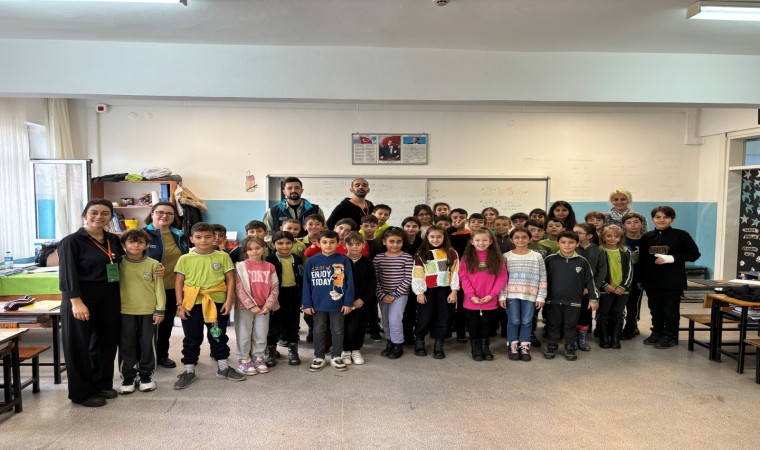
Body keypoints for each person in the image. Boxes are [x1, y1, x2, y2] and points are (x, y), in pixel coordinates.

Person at [59, 199, 124, 407]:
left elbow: (124, 264)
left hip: (109, 296)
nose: (99, 217)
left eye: (105, 213)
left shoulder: (113, 240)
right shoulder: (72, 241)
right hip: (81, 297)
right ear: (84, 215)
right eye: (94, 212)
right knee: (79, 345)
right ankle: (81, 393)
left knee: (106, 342)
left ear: (111, 217)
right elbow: (67, 274)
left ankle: (102, 383)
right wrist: (76, 301)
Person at [173, 222, 244, 390]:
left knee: (217, 334)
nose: (203, 240)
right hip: (191, 303)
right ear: (191, 239)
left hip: (216, 302)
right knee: (192, 337)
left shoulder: (222, 256)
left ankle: (223, 367)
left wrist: (228, 301)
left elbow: (230, 279)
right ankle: (189, 370)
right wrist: (180, 304)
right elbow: (179, 282)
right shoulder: (185, 258)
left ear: (214, 238)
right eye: (198, 237)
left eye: (207, 237)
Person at [637, 206, 700, 349]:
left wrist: (672, 258)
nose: (661, 220)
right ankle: (657, 331)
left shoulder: (681, 235)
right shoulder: (647, 237)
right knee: (655, 309)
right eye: (658, 217)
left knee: (670, 310)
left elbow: (694, 254)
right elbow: (642, 260)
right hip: (652, 280)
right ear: (652, 219)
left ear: (672, 219)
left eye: (666, 217)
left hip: (672, 281)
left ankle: (670, 335)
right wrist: (640, 279)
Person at [117, 229, 165, 394]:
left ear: (146, 245)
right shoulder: (117, 263)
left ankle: (146, 375)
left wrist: (160, 310)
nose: (135, 245)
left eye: (140, 242)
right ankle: (128, 376)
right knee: (126, 343)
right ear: (124, 244)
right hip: (124, 311)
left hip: (149, 311)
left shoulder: (154, 264)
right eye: (131, 242)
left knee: (147, 343)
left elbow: (159, 288)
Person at [144, 201, 189, 369]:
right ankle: (145, 357)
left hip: (172, 288)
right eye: (160, 212)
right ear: (152, 214)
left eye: (169, 213)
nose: (164, 216)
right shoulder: (143, 234)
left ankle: (162, 355)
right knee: (147, 325)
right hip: (148, 288)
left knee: (166, 324)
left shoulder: (179, 235)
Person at [302, 230, 355, 372]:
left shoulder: (344, 260)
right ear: (318, 243)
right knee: (319, 330)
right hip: (317, 304)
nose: (328, 245)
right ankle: (319, 357)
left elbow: (350, 283)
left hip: (338, 303)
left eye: (332, 242)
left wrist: (348, 302)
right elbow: (306, 284)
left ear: (338, 243)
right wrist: (307, 304)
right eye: (324, 242)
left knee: (337, 330)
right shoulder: (311, 261)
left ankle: (336, 356)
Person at [543, 231, 598, 361]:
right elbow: (542, 279)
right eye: (563, 242)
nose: (567, 245)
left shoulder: (582, 261)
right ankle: (552, 346)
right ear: (558, 243)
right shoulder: (550, 259)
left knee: (570, 325)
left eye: (571, 242)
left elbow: (590, 281)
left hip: (574, 301)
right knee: (553, 324)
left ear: (577, 244)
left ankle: (569, 347)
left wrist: (593, 298)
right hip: (553, 300)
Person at [458, 229, 508, 362]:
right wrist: (471, 295)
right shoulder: (466, 258)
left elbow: (502, 277)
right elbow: (463, 277)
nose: (481, 243)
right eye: (477, 240)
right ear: (472, 242)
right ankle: (475, 347)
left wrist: (492, 294)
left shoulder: (497, 257)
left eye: (485, 240)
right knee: (473, 322)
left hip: (489, 297)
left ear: (491, 241)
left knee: (486, 323)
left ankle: (485, 346)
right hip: (472, 298)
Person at [499, 227, 547, 362]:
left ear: (530, 239)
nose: (521, 240)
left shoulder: (537, 256)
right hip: (511, 295)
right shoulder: (506, 256)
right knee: (514, 321)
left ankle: (524, 346)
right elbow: (502, 278)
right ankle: (513, 346)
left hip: (530, 295)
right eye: (517, 237)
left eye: (524, 237)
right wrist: (502, 295)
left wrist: (541, 296)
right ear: (511, 240)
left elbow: (543, 277)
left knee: (526, 321)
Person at [412, 225, 459, 359]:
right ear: (427, 237)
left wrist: (454, 290)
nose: (435, 239)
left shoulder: (451, 252)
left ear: (444, 237)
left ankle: (439, 343)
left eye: (439, 236)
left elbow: (455, 272)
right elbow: (418, 274)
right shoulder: (421, 254)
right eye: (432, 236)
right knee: (425, 316)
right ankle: (419, 340)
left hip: (446, 289)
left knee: (444, 316)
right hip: (428, 290)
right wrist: (419, 292)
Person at [233, 236, 279, 376]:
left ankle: (258, 357)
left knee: (261, 333)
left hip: (264, 307)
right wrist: (251, 306)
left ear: (264, 248)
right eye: (250, 249)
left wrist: (268, 305)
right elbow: (239, 289)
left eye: (257, 248)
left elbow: (275, 287)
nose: (254, 251)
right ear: (246, 251)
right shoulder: (240, 266)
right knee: (244, 333)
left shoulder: (270, 267)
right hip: (245, 307)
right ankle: (243, 359)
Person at [264, 231, 304, 366]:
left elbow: (301, 278)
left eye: (288, 243)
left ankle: (293, 349)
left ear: (293, 243)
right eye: (280, 243)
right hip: (276, 295)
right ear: (273, 244)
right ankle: (271, 350)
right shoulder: (269, 260)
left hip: (293, 294)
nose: (284, 246)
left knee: (292, 323)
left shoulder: (297, 259)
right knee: (274, 325)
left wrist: (302, 297)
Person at [373, 227, 414, 359]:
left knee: (395, 319)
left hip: (400, 295)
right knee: (385, 320)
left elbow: (408, 278)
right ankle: (389, 342)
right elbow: (375, 278)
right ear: (384, 242)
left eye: (398, 241)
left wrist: (395, 294)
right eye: (391, 241)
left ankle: (398, 344)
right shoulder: (378, 258)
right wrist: (382, 294)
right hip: (383, 295)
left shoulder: (407, 257)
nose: (395, 245)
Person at [341, 232, 376, 365]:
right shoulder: (340, 261)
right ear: (344, 245)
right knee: (346, 326)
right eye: (350, 244)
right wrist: (346, 300)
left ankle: (356, 349)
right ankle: (346, 350)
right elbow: (337, 283)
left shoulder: (367, 262)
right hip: (344, 302)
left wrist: (363, 299)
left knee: (360, 326)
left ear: (363, 244)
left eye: (357, 244)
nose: (354, 247)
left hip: (361, 302)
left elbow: (372, 283)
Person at [598, 225, 633, 350]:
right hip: (605, 289)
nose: (613, 238)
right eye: (609, 236)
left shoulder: (625, 251)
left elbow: (630, 270)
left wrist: (623, 286)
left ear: (620, 238)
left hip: (622, 290)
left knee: (618, 314)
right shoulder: (599, 250)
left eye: (616, 236)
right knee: (603, 313)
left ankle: (615, 338)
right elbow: (596, 271)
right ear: (603, 237)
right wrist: (604, 285)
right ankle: (604, 338)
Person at [573, 223, 607, 351]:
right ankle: (572, 338)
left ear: (589, 236)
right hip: (573, 289)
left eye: (578, 233)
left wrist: (591, 288)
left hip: (589, 290)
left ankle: (582, 338)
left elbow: (602, 271)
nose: (575, 235)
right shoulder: (572, 248)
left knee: (585, 314)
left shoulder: (598, 250)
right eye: (574, 232)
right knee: (572, 314)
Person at [621, 212, 647, 339]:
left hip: (638, 278)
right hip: (621, 277)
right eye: (629, 222)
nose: (633, 225)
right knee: (620, 303)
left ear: (642, 224)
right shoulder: (620, 240)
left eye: (636, 222)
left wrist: (643, 279)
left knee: (634, 303)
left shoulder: (646, 240)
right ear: (624, 225)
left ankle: (631, 326)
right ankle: (616, 325)